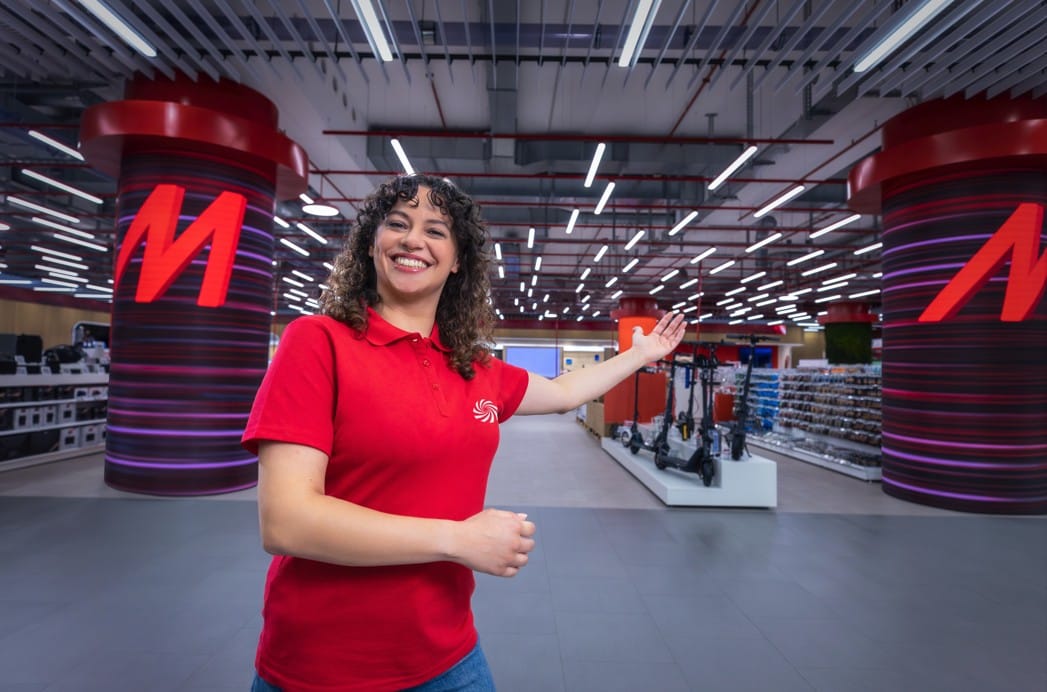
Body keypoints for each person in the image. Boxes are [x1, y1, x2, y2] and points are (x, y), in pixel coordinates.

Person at [242, 174, 685, 691]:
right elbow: (287, 522)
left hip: (448, 654)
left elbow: (564, 392)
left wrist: (639, 355)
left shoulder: (472, 367)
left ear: (457, 261)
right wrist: (457, 539)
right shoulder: (317, 342)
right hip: (322, 665)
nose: (413, 240)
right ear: (372, 242)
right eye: (398, 224)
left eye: (435, 230)